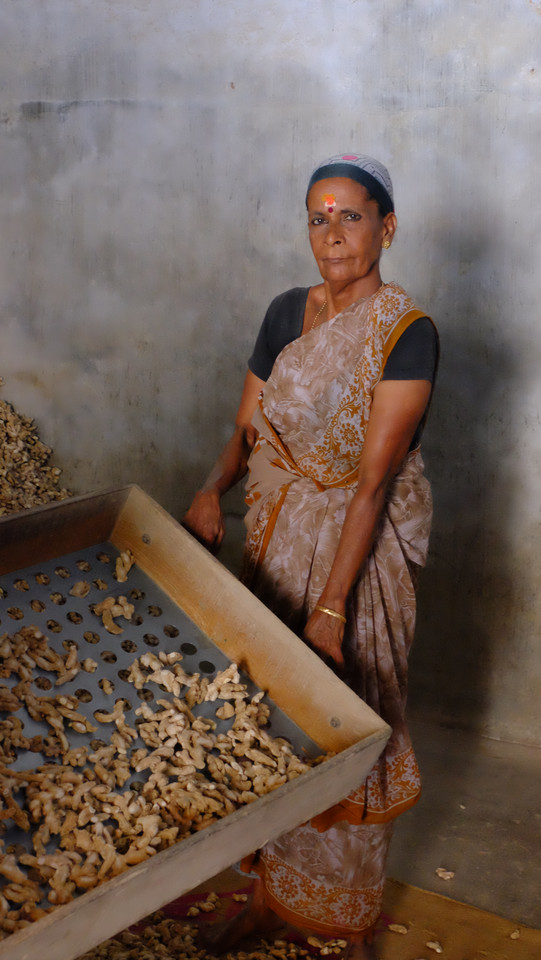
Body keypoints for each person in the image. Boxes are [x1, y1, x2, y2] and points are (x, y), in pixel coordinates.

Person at [183, 153, 438, 958]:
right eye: (317, 217)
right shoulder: (285, 312)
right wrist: (209, 489)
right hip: (277, 545)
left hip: (353, 564)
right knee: (273, 720)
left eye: (350, 216)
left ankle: (346, 924)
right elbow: (248, 424)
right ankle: (271, 899)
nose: (331, 233)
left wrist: (330, 610)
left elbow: (370, 482)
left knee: (348, 727)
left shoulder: (405, 331)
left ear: (386, 227)